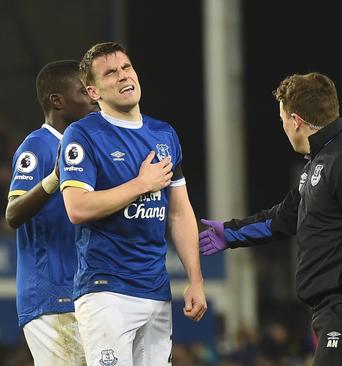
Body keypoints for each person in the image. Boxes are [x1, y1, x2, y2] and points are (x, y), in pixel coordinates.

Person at [199, 72, 342, 365]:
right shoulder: (320, 163)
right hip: (333, 308)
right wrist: (229, 233)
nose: (283, 127)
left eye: (282, 120)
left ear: (295, 120)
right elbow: (282, 218)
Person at [59, 42, 207, 366]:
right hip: (106, 290)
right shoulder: (82, 135)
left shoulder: (164, 134)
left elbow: (180, 214)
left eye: (126, 67)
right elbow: (77, 207)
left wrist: (195, 279)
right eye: (110, 73)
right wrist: (141, 184)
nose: (123, 76)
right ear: (93, 92)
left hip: (156, 289)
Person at [5, 60, 97, 365]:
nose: (92, 97)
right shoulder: (38, 146)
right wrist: (54, 177)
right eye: (83, 91)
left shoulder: (82, 148)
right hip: (50, 295)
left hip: (82, 292)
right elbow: (13, 214)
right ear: (57, 101)